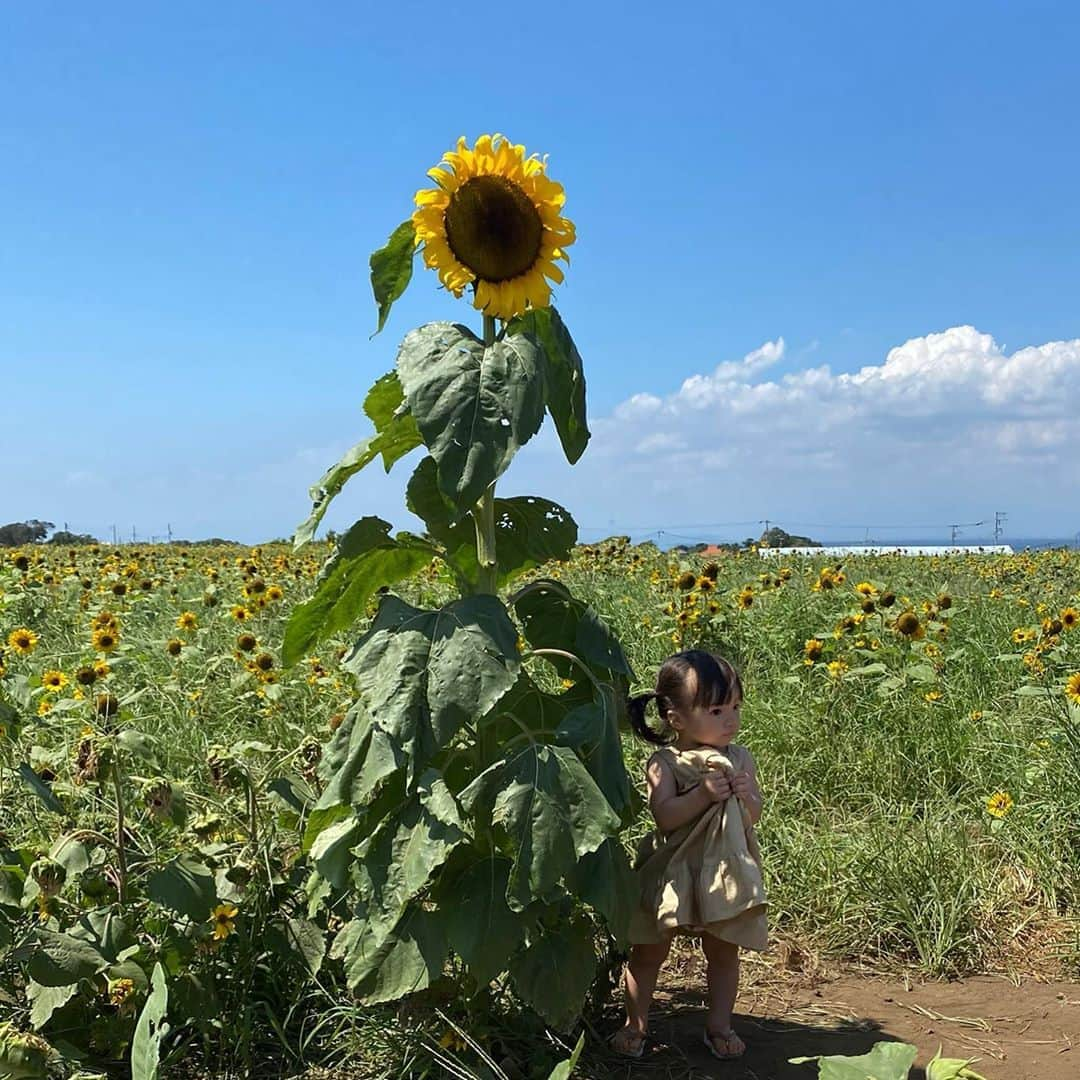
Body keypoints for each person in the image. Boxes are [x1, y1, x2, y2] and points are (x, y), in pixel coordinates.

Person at [610, 649, 768, 1061]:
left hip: (722, 869)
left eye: (735, 706)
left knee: (723, 951)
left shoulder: (739, 758)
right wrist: (702, 794)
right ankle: (635, 1025)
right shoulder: (666, 763)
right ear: (676, 719)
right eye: (716, 710)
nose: (730, 719)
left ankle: (719, 1026)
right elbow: (665, 817)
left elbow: (750, 817)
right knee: (648, 950)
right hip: (675, 870)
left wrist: (750, 799)